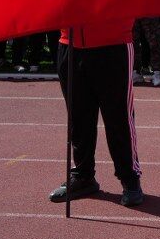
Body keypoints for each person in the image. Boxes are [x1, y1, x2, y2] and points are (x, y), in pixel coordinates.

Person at [48, 16, 145, 207]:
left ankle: (130, 179)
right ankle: (83, 176)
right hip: (70, 43)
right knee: (78, 117)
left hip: (112, 44)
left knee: (118, 118)